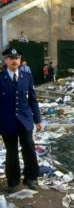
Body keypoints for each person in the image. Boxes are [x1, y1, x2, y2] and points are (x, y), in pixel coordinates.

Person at [0, 47, 42, 193]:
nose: (14, 61)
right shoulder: (1, 78)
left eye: (16, 58)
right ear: (5, 60)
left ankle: (31, 178)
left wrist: (38, 120)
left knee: (29, 147)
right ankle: (12, 181)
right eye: (11, 58)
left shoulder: (26, 76)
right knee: (11, 152)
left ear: (20, 60)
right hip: (7, 122)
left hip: (25, 120)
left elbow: (33, 99)